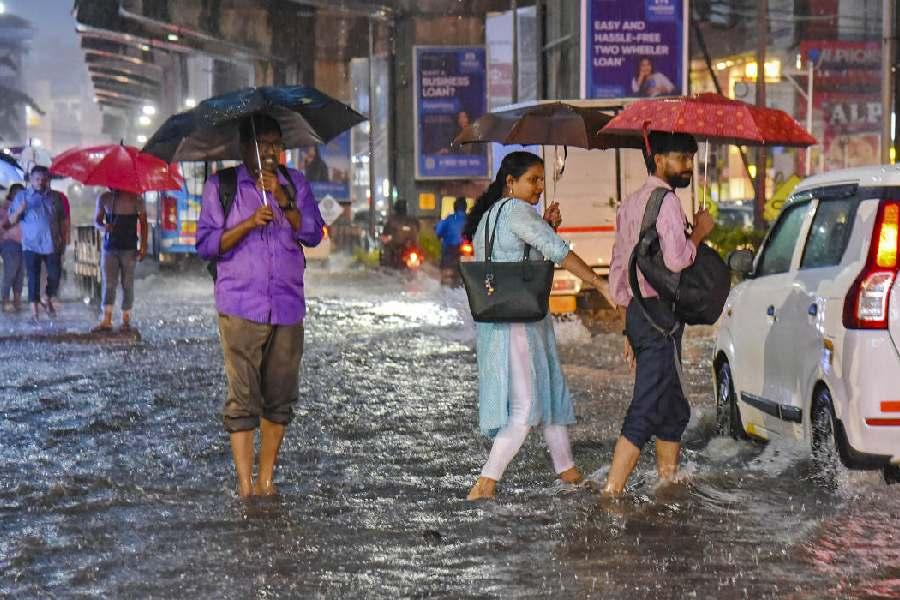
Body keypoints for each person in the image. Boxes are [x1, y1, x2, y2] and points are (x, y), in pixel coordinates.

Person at [464, 151, 609, 501]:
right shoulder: (515, 210)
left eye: (542, 179)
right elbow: (556, 251)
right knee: (527, 407)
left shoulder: (494, 214)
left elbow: (519, 255)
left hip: (516, 319)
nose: (540, 187)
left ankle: (568, 471)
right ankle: (485, 483)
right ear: (510, 182)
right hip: (518, 324)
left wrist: (546, 224)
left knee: (550, 395)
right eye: (533, 180)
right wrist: (599, 284)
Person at [196, 113, 325, 498]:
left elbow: (314, 235)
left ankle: (267, 481)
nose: (270, 152)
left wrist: (286, 202)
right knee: (243, 397)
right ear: (244, 147)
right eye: (262, 144)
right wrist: (249, 223)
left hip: (287, 305)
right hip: (239, 306)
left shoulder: (294, 183)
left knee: (280, 396)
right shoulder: (222, 186)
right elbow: (206, 244)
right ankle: (245, 485)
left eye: (275, 144)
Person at [605, 132, 715, 496]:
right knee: (648, 404)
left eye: (690, 159)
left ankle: (667, 482)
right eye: (680, 158)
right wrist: (698, 233)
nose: (687, 166)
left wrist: (629, 327)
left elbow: (619, 267)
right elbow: (677, 260)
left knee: (672, 407)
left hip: (641, 313)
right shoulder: (666, 202)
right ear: (658, 159)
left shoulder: (631, 202)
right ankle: (612, 492)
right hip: (660, 317)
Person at [7, 166, 61, 321]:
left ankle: (47, 297)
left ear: (48, 179)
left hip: (51, 243)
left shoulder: (54, 197)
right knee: (33, 277)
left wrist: (62, 238)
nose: (40, 182)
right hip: (31, 244)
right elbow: (10, 221)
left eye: (44, 179)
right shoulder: (22, 197)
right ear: (31, 179)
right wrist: (19, 210)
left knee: (55, 275)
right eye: (37, 179)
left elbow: (61, 218)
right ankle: (34, 312)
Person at [92, 187, 148, 332]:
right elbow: (97, 221)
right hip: (109, 247)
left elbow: (143, 223)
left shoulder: (136, 198)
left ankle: (126, 317)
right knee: (109, 282)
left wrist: (143, 246)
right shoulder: (104, 198)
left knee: (127, 283)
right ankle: (107, 317)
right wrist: (104, 227)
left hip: (129, 247)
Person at [0, 183, 25, 312]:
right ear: (12, 194)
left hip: (23, 244)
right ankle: (5, 300)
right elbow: (3, 226)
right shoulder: (5, 208)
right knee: (10, 272)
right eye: (17, 194)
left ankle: (17, 300)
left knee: (20, 274)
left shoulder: (24, 208)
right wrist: (17, 212)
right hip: (9, 243)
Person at [434, 196, 468, 285]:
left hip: (450, 250)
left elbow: (438, 231)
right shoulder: (471, 220)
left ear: (455, 207)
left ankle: (446, 277)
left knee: (446, 277)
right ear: (465, 208)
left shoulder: (449, 219)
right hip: (468, 253)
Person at [379, 200, 420, 268]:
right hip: (399, 248)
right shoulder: (412, 219)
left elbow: (385, 232)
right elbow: (418, 228)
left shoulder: (392, 220)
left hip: (407, 248)